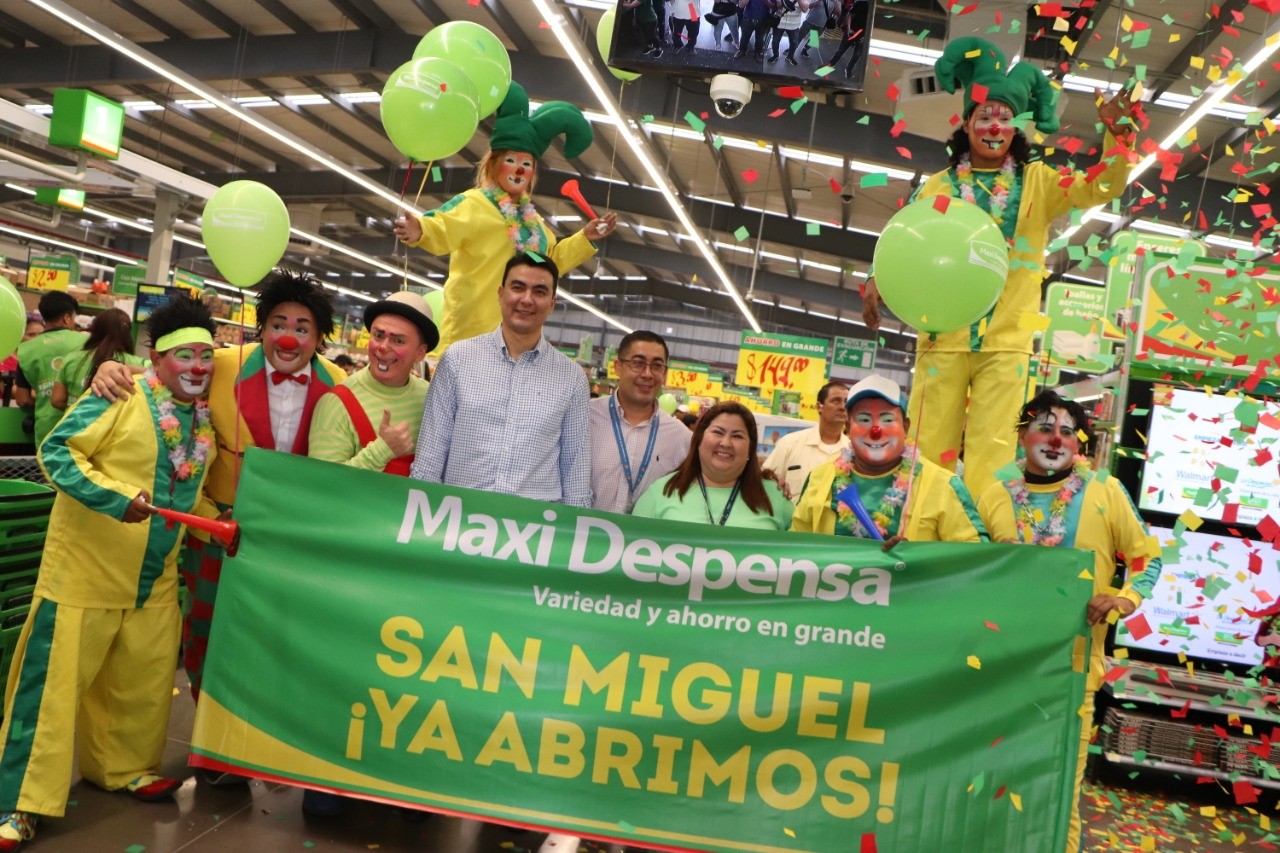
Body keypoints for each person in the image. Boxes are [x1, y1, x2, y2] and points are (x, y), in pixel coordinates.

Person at [862, 37, 1139, 497]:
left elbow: (1100, 188)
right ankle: (920, 528)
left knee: (993, 453)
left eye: (1005, 118)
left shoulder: (1039, 182)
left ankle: (979, 532)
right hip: (942, 336)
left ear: (1016, 129)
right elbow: (904, 238)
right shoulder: (938, 186)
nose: (994, 125)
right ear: (967, 124)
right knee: (929, 448)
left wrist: (1120, 133)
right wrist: (876, 276)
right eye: (984, 116)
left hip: (1008, 341)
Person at [0, 296, 221, 853]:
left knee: (141, 684)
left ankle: (125, 768)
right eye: (185, 355)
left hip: (154, 584)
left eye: (206, 356)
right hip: (85, 573)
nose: (197, 367)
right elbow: (57, 452)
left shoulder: (203, 425)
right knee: (50, 692)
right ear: (157, 359)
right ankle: (18, 800)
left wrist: (221, 524)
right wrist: (114, 496)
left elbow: (186, 493)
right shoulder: (119, 393)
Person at [90, 271, 347, 712]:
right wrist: (112, 367)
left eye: (302, 328)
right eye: (278, 324)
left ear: (319, 337)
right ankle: (210, 721)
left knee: (280, 632)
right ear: (262, 329)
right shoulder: (224, 364)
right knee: (207, 627)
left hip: (295, 530)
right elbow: (161, 374)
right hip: (221, 521)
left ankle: (265, 723)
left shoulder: (338, 381)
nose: (288, 338)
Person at [976, 390, 1160, 853]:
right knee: (994, 786)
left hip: (1073, 674)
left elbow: (1147, 557)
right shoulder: (994, 495)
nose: (1056, 439)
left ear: (1079, 443)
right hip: (1001, 673)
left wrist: (1123, 598)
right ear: (1022, 436)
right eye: (1044, 427)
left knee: (1057, 794)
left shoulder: (1104, 491)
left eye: (1067, 431)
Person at [392, 82, 618, 353]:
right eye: (511, 160)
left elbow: (550, 261)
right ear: (493, 164)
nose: (519, 170)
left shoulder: (533, 222)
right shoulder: (474, 204)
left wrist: (585, 237)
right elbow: (443, 224)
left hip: (515, 342)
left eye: (526, 164)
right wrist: (420, 229)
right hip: (469, 339)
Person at [411, 253, 591, 508]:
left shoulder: (572, 378)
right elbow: (431, 452)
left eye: (539, 291)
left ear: (552, 304)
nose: (526, 299)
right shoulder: (458, 360)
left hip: (532, 526)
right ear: (500, 294)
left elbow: (575, 470)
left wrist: (575, 524)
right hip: (459, 518)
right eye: (518, 287)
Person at [790, 375, 986, 545]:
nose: (876, 431)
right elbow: (794, 546)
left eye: (887, 420)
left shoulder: (944, 486)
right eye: (864, 420)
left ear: (905, 427)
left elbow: (976, 555)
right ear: (848, 428)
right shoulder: (819, 478)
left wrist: (919, 558)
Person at [309, 292, 438, 475]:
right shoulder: (336, 404)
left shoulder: (431, 400)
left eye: (398, 340)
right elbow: (322, 481)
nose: (383, 347)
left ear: (420, 352)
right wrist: (381, 451)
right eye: (378, 335)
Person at [632, 400, 792, 529]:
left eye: (737, 436)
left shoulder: (776, 496)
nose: (726, 443)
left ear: (750, 448)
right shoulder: (661, 492)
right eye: (717, 432)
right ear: (699, 439)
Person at [589, 330, 691, 514]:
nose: (647, 374)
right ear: (618, 367)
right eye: (638, 363)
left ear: (664, 373)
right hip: (582, 530)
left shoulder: (681, 438)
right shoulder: (584, 417)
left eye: (657, 366)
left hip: (647, 533)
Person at [13, 293, 86, 448]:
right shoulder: (87, 342)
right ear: (67, 318)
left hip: (46, 430)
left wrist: (43, 396)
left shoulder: (26, 350)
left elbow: (22, 399)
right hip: (81, 425)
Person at [762, 380, 849, 501]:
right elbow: (765, 480)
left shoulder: (852, 452)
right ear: (819, 407)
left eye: (846, 402)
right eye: (836, 401)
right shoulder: (789, 443)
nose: (843, 407)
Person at [50, 308, 142, 413]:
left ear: (95, 329)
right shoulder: (138, 364)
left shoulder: (71, 358)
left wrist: (76, 408)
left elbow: (57, 400)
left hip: (75, 420)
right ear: (127, 334)